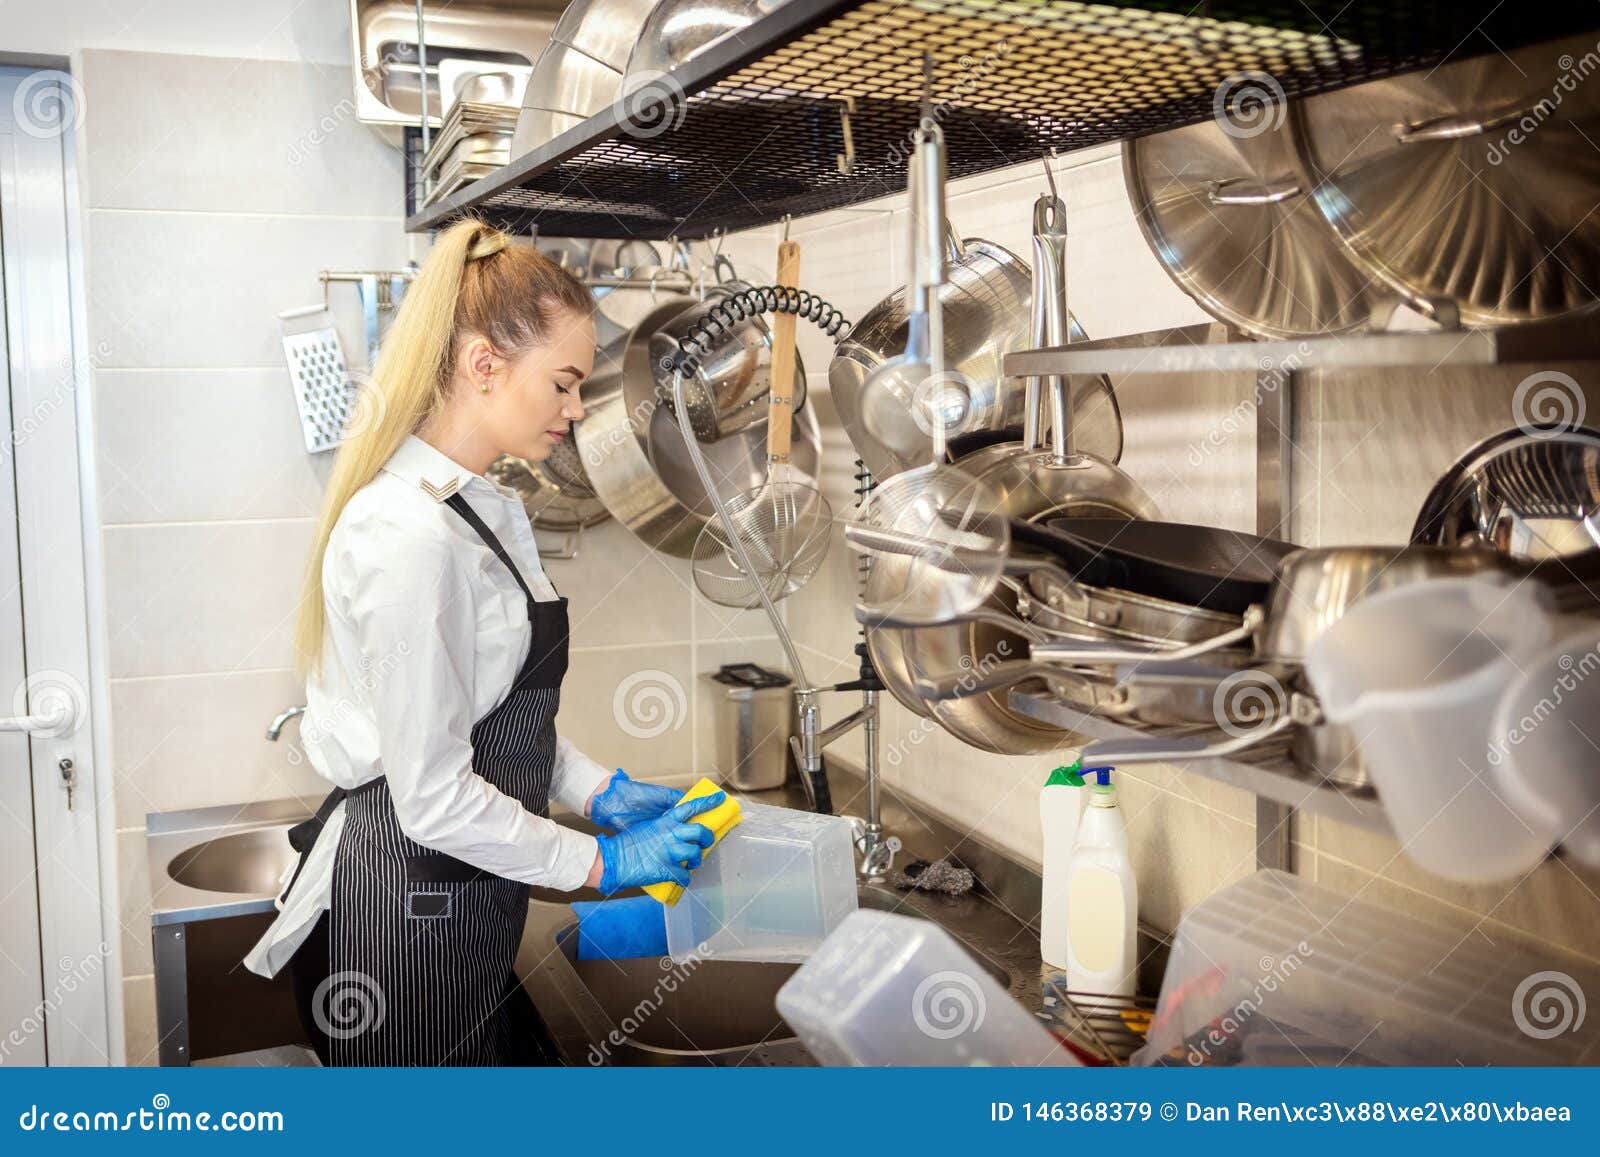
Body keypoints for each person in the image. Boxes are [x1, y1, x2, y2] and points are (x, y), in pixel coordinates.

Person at [242, 218, 723, 1066]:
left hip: (464, 900)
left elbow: (489, 704)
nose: (577, 412)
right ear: (484, 366)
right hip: (405, 918)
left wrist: (597, 786)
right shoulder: (410, 537)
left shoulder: (479, 507)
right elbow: (430, 794)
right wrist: (600, 861)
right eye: (566, 384)